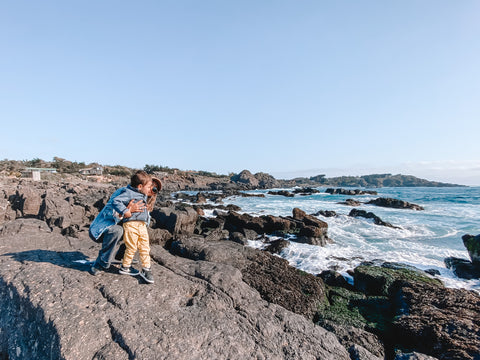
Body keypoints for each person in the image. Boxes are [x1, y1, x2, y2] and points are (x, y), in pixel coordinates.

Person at [89, 170, 161, 280]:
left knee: (139, 230)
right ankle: (100, 264)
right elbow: (111, 213)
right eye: (151, 186)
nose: (153, 190)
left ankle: (123, 256)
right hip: (101, 229)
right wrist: (128, 210)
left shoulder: (143, 199)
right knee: (118, 230)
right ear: (140, 186)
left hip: (122, 226)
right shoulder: (125, 192)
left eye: (155, 189)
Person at [117, 171, 155, 283]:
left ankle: (146, 269)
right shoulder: (128, 193)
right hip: (131, 224)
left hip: (142, 225)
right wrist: (125, 211)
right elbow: (116, 201)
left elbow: (151, 194)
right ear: (139, 186)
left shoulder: (142, 194)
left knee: (145, 247)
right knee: (132, 247)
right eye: (149, 186)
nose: (151, 188)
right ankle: (125, 267)